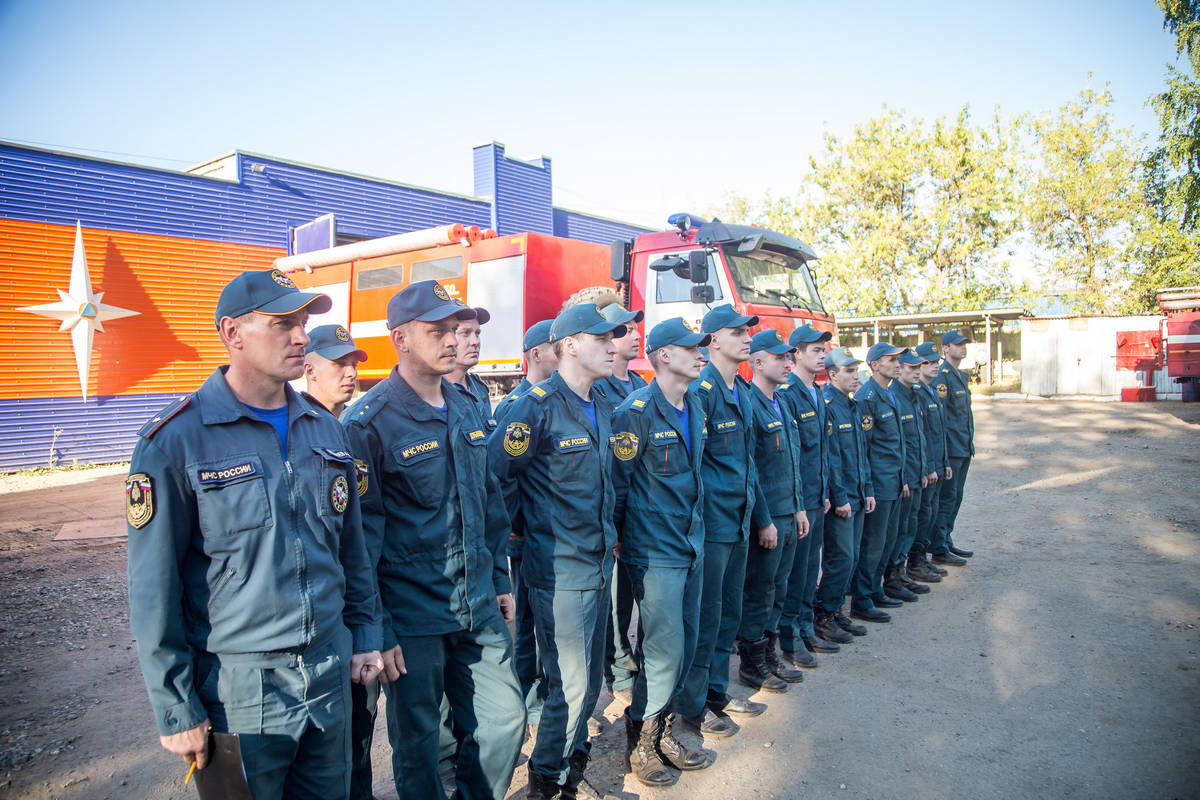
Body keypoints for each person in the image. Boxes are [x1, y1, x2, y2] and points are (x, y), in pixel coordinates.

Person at [126, 268, 383, 800]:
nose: (300, 336)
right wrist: (176, 706)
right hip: (240, 693)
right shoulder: (176, 440)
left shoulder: (324, 427)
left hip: (328, 675)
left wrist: (364, 636)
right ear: (232, 333)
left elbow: (351, 550)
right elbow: (153, 588)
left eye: (304, 323)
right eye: (282, 323)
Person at [343, 280, 525, 800]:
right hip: (412, 616)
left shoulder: (466, 406)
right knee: (419, 745)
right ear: (400, 337)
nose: (451, 340)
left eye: (455, 329)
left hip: (478, 605)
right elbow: (358, 539)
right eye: (436, 330)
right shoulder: (368, 423)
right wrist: (375, 626)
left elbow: (488, 502)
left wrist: (497, 580)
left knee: (505, 721)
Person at [488, 303, 626, 799]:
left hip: (598, 560)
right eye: (602, 337)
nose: (614, 345)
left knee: (589, 683)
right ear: (569, 344)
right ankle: (547, 781)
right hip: (557, 569)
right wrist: (518, 540)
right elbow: (496, 478)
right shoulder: (535, 406)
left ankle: (566, 763)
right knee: (567, 686)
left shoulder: (607, 402)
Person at [611, 318, 711, 788]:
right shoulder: (635, 411)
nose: (701, 353)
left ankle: (666, 728)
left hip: (690, 544)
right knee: (663, 649)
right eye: (691, 347)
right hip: (654, 550)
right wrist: (625, 545)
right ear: (663, 355)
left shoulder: (695, 405)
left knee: (686, 643)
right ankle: (642, 740)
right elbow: (618, 487)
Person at [676, 304, 771, 738]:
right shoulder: (703, 392)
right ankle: (692, 707)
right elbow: (691, 467)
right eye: (737, 332)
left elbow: (749, 462)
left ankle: (716, 690)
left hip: (738, 520)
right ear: (713, 340)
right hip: (711, 525)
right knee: (705, 615)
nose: (746, 337)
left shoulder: (741, 391)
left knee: (727, 612)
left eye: (748, 330)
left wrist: (760, 516)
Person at [736, 330, 809, 711]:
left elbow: (790, 462)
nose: (788, 363)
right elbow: (752, 471)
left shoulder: (780, 402)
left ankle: (768, 652)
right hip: (767, 518)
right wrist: (764, 520)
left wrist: (798, 506)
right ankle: (752, 660)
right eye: (780, 357)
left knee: (778, 588)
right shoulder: (749, 402)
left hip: (788, 511)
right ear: (758, 362)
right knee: (760, 590)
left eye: (789, 357)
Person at [493, 318, 557, 733]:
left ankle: (541, 697)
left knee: (539, 620)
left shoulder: (553, 401)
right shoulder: (517, 406)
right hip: (522, 536)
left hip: (539, 535)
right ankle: (521, 694)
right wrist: (515, 526)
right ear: (536, 353)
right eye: (555, 346)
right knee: (525, 622)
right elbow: (506, 477)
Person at [590, 300, 647, 707]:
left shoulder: (640, 385)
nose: (634, 334)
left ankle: (631, 660)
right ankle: (618, 666)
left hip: (638, 505)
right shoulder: (597, 388)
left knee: (631, 588)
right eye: (625, 329)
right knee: (613, 600)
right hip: (610, 507)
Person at [777, 324, 836, 667]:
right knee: (795, 574)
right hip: (799, 501)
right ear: (796, 353)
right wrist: (800, 501)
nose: (822, 354)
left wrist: (825, 491)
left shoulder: (816, 392)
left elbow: (822, 451)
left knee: (809, 569)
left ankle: (805, 627)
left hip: (816, 497)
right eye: (815, 350)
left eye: (823, 349)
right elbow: (792, 458)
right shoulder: (788, 395)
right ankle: (790, 638)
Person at [813, 347, 875, 642]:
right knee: (841, 558)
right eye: (849, 371)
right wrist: (840, 498)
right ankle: (823, 614)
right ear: (833, 374)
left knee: (852, 556)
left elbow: (861, 455)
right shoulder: (829, 406)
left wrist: (868, 490)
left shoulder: (852, 405)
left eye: (856, 370)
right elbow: (832, 459)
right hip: (844, 498)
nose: (855, 375)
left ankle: (836, 610)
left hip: (858, 493)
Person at [850, 342, 909, 624]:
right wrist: (869, 488)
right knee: (872, 543)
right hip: (879, 483)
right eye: (891, 359)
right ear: (874, 365)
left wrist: (903, 479)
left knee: (886, 541)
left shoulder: (890, 394)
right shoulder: (867, 397)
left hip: (894, 480)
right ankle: (862, 599)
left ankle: (875, 589)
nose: (898, 364)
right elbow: (866, 448)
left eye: (899, 359)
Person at [884, 350, 933, 603]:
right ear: (900, 370)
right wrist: (902, 476)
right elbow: (895, 445)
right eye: (911, 367)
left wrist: (924, 469)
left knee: (909, 525)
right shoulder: (894, 397)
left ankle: (901, 571)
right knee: (898, 528)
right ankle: (892, 576)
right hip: (903, 476)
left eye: (918, 367)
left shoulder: (914, 396)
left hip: (915, 473)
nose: (916, 371)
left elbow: (919, 439)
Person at [930, 330, 975, 564]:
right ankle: (938, 547)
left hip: (964, 447)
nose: (963, 348)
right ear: (945, 348)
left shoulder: (959, 375)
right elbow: (942, 420)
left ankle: (946, 539)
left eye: (964, 344)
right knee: (947, 498)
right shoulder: (943, 376)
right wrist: (944, 456)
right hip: (953, 450)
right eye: (958, 345)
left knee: (955, 497)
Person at [909, 341, 951, 584]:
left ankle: (921, 557)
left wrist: (943, 462)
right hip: (926, 467)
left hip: (935, 463)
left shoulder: (931, 391)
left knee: (930, 512)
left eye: (936, 362)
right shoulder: (918, 394)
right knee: (922, 514)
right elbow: (920, 437)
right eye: (929, 362)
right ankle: (915, 561)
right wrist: (928, 468)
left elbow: (938, 433)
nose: (934, 366)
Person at [446, 305, 496, 429]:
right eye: (465, 333)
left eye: (477, 333)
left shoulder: (479, 388)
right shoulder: (434, 392)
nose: (475, 342)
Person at [303, 324, 367, 417]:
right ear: (310, 371)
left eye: (354, 364)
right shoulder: (292, 426)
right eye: (340, 364)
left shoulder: (359, 424)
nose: (352, 373)